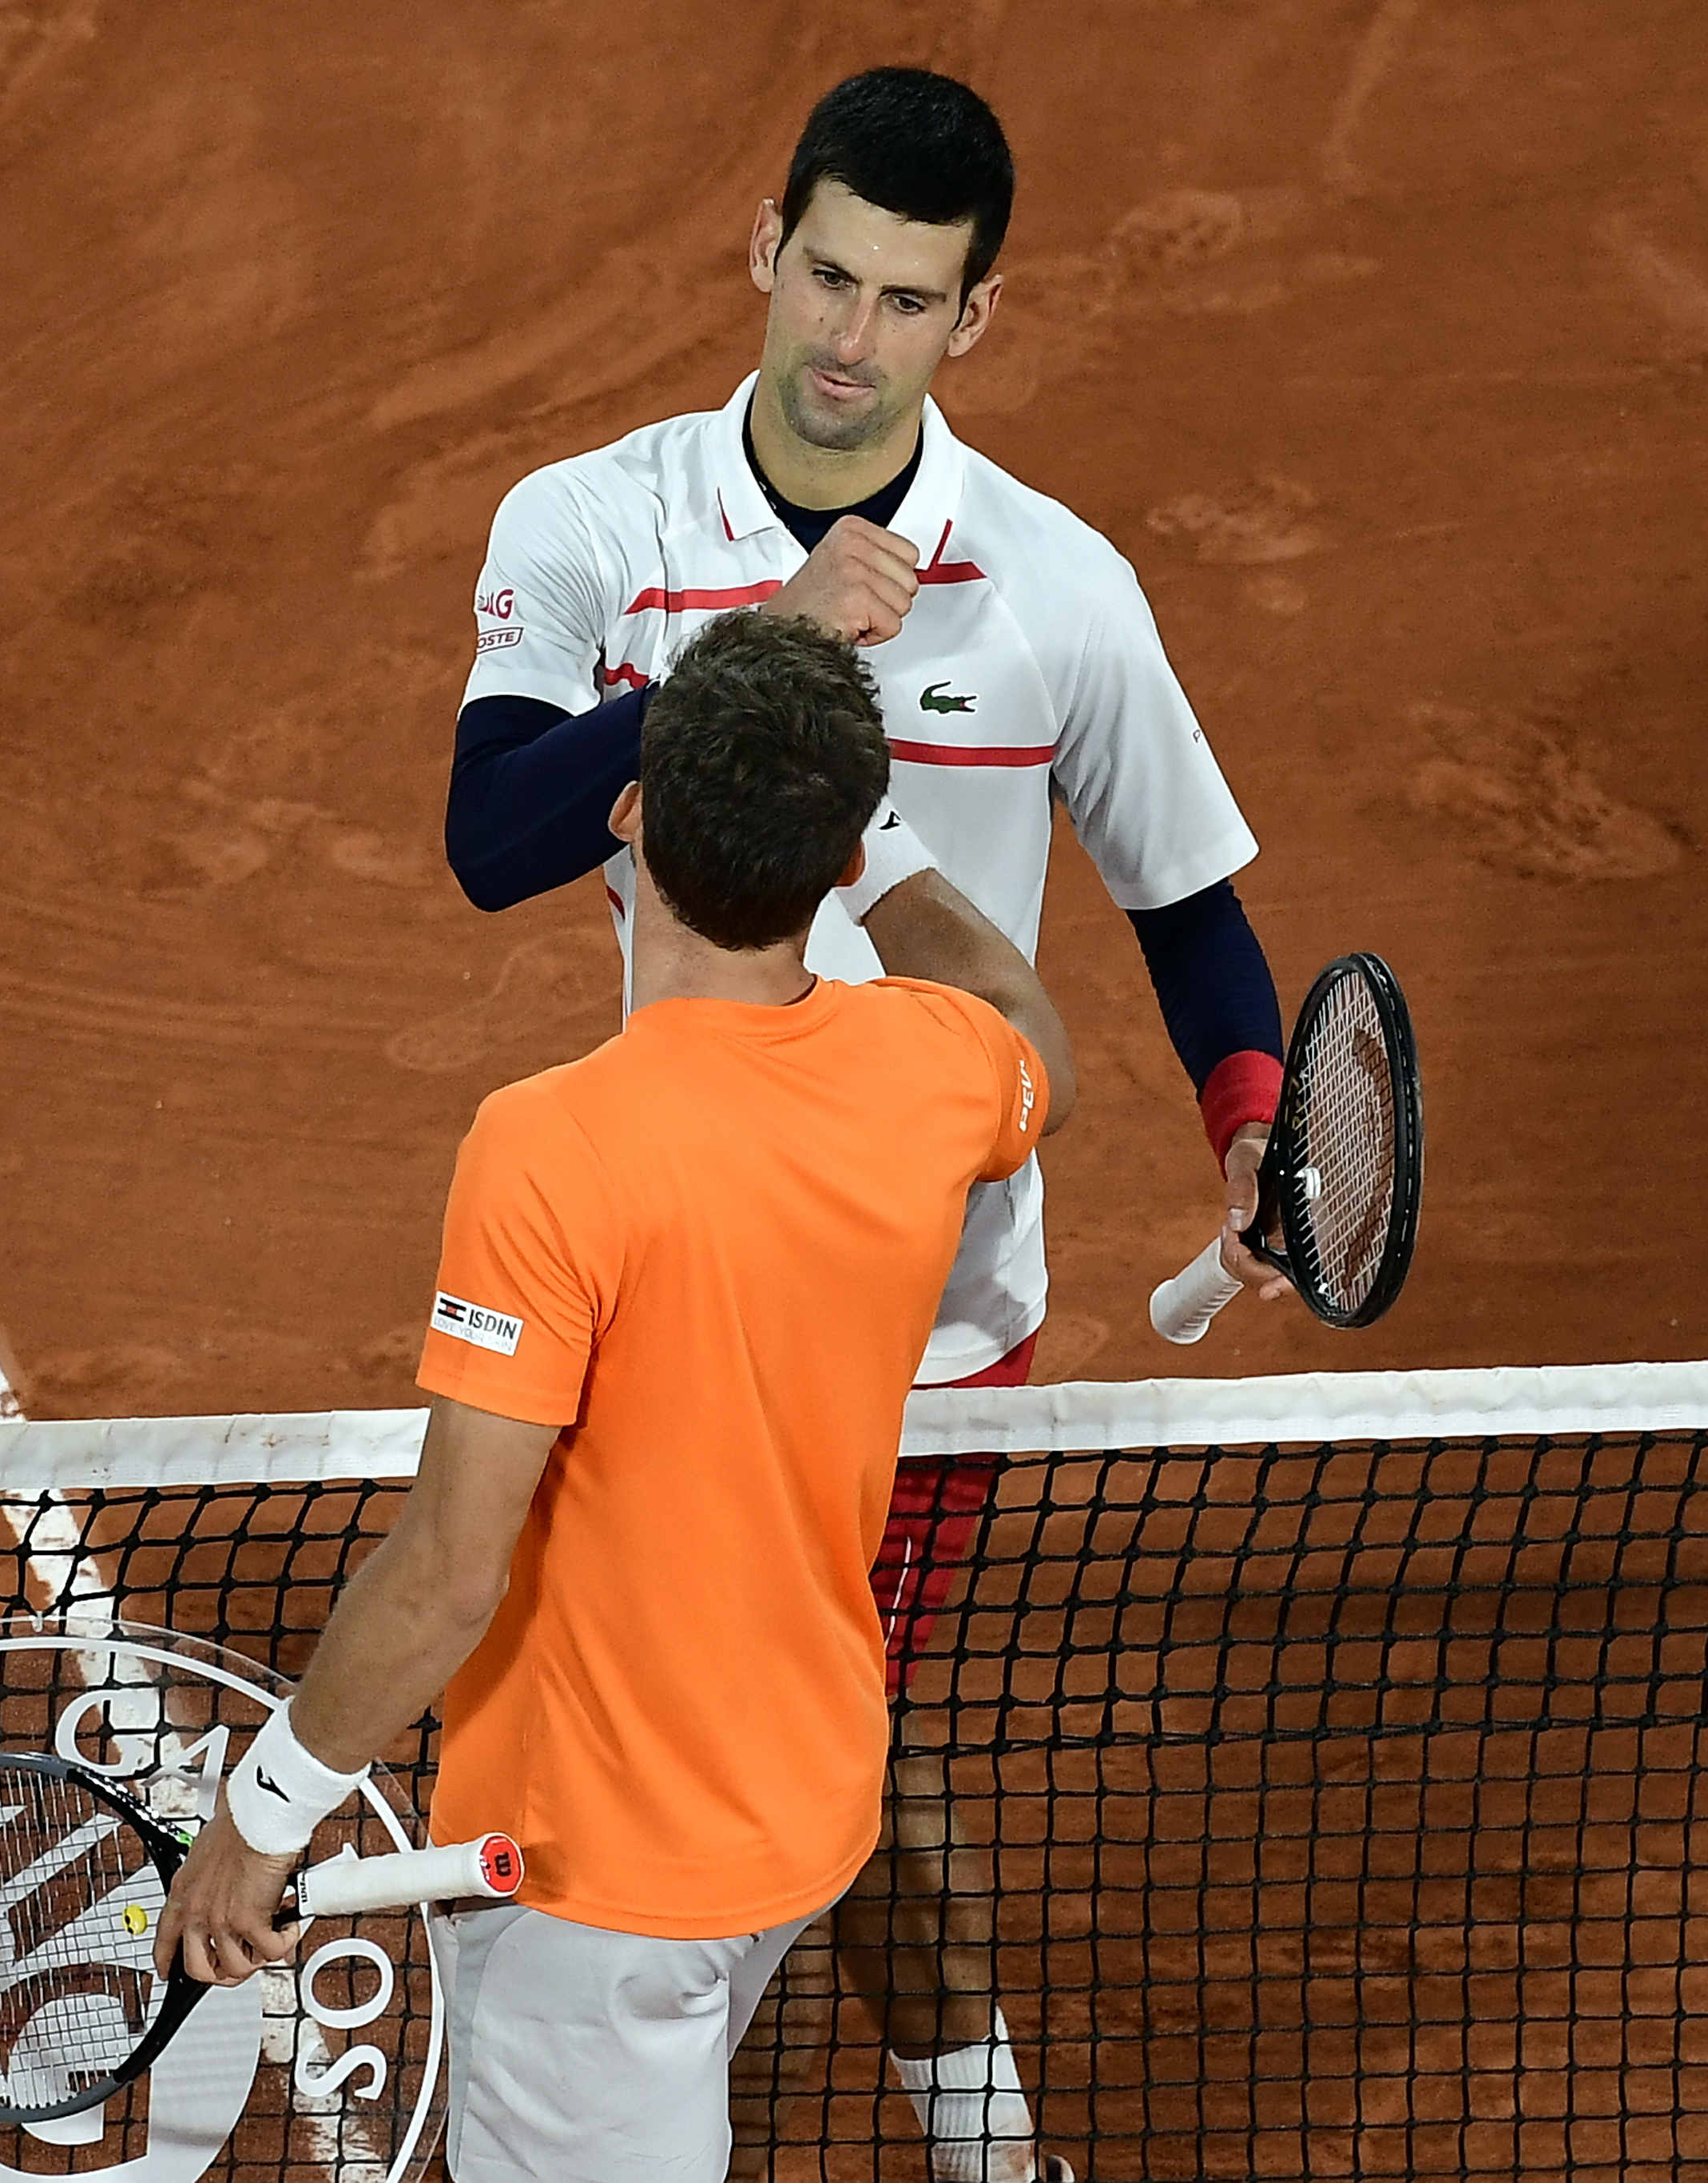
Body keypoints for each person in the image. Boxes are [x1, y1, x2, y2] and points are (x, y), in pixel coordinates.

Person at [442, 65, 1291, 2181]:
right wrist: (757, 647)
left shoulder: (1059, 594)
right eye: (826, 277)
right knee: (744, 1757)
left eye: (908, 303)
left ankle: (841, 2128)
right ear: (763, 245)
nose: (847, 340)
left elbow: (1190, 912)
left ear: (972, 320)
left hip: (926, 1327)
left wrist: (1254, 1116)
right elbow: (489, 836)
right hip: (651, 1275)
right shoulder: (589, 525)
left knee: (814, 1753)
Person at [156, 610, 1069, 2183]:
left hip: (590, 1879)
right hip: (804, 1812)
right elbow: (1026, 1026)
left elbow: (447, 1570)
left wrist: (263, 1810)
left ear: (627, 813)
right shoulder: (929, 1074)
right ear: (838, 854)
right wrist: (887, 852)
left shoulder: (552, 1147)